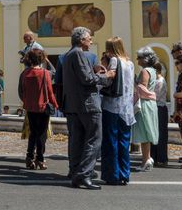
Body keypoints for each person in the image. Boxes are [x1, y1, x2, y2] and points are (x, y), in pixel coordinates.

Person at [61, 27, 115, 190]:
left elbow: (81, 76)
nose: (91, 41)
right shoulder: (78, 54)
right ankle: (84, 174)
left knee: (77, 140)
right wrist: (106, 77)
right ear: (81, 40)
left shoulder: (69, 55)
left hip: (75, 104)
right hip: (87, 104)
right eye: (89, 38)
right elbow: (87, 79)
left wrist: (93, 70)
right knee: (94, 139)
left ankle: (77, 171)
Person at [100, 37, 135, 186]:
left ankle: (112, 174)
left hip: (112, 105)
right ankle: (124, 173)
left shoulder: (114, 60)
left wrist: (100, 75)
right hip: (127, 107)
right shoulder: (130, 63)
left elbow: (110, 77)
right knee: (124, 141)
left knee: (111, 141)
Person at [19, 50, 58, 170]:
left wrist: (26, 101)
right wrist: (55, 104)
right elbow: (50, 92)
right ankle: (40, 159)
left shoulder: (24, 73)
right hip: (42, 107)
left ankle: (29, 156)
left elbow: (21, 91)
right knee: (41, 134)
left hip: (30, 107)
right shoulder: (45, 73)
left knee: (33, 133)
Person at [132, 47, 160, 172]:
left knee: (144, 132)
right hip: (150, 104)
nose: (137, 59)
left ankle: (145, 160)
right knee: (147, 131)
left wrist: (134, 83)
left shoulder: (145, 71)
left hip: (144, 103)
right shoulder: (153, 70)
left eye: (139, 57)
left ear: (145, 59)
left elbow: (142, 89)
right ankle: (147, 158)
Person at [151, 61, 169, 167]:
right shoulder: (156, 80)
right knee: (155, 133)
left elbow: (156, 96)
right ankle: (155, 157)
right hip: (156, 107)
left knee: (161, 134)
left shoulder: (160, 81)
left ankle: (161, 158)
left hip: (160, 108)